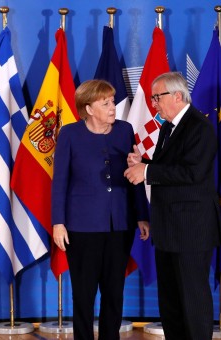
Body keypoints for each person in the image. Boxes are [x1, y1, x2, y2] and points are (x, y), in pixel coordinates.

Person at [124, 72, 221, 340]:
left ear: (177, 96)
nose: (154, 103)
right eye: (153, 98)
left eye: (158, 97)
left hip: (191, 229)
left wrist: (147, 172)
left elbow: (193, 173)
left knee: (192, 300)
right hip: (167, 228)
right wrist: (142, 164)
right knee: (171, 302)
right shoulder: (168, 127)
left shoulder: (200, 127)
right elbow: (168, 168)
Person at [51, 79, 149, 340]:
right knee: (84, 293)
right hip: (82, 227)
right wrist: (58, 222)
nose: (112, 107)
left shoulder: (125, 130)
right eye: (105, 102)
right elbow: (59, 181)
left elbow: (134, 173)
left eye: (112, 101)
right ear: (88, 108)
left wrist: (141, 215)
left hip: (119, 224)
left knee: (114, 291)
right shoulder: (70, 134)